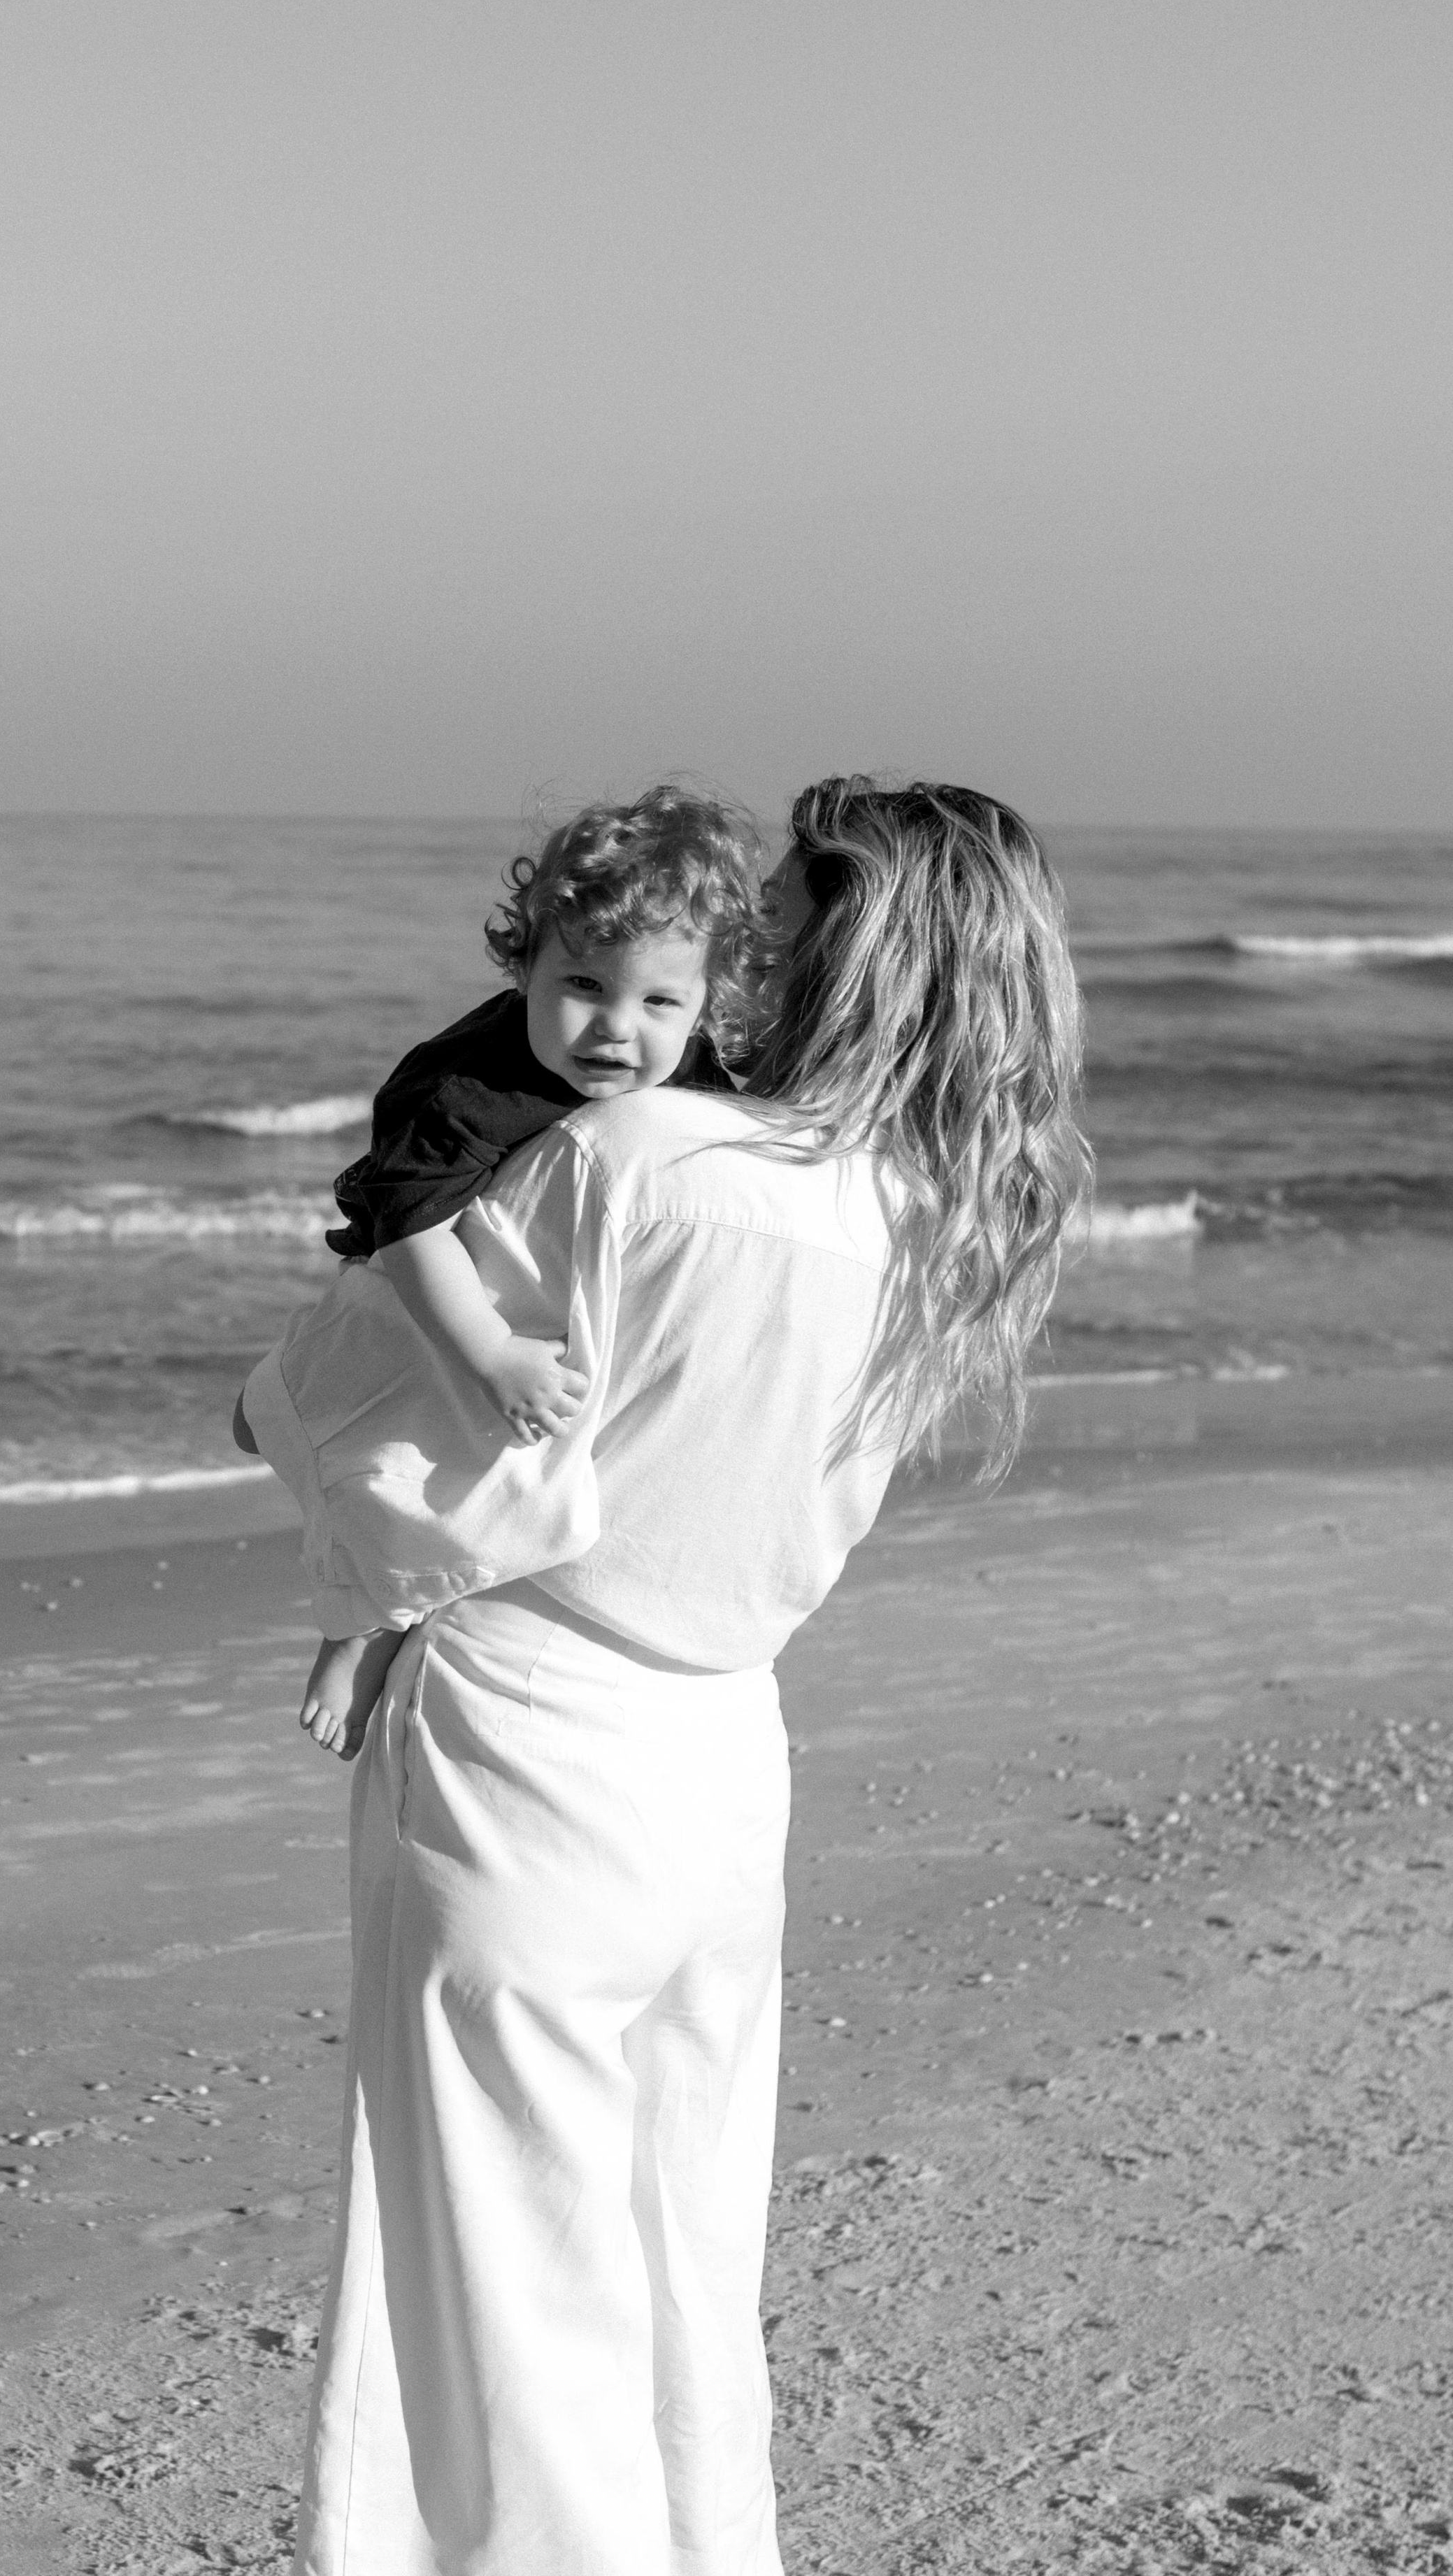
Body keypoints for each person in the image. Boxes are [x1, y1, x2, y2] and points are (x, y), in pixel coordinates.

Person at [238, 776, 1091, 2576]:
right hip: (725, 1756)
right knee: (680, 2256)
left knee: (497, 2288)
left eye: (780, 912)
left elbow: (353, 1417)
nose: (751, 943)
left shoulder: (634, 1163)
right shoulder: (941, 1214)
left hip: (535, 1739)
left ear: (842, 945)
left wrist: (288, 1434)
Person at [288, 781, 760, 1759]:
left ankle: (399, 1610)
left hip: (530, 1288)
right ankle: (362, 1621)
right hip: (422, 1289)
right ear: (525, 966)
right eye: (582, 987)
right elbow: (409, 1226)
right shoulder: (464, 1088)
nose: (615, 1030)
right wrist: (491, 1354)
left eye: (659, 1001)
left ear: (706, 1001)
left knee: (498, 1490)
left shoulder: (690, 1066)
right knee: (407, 1475)